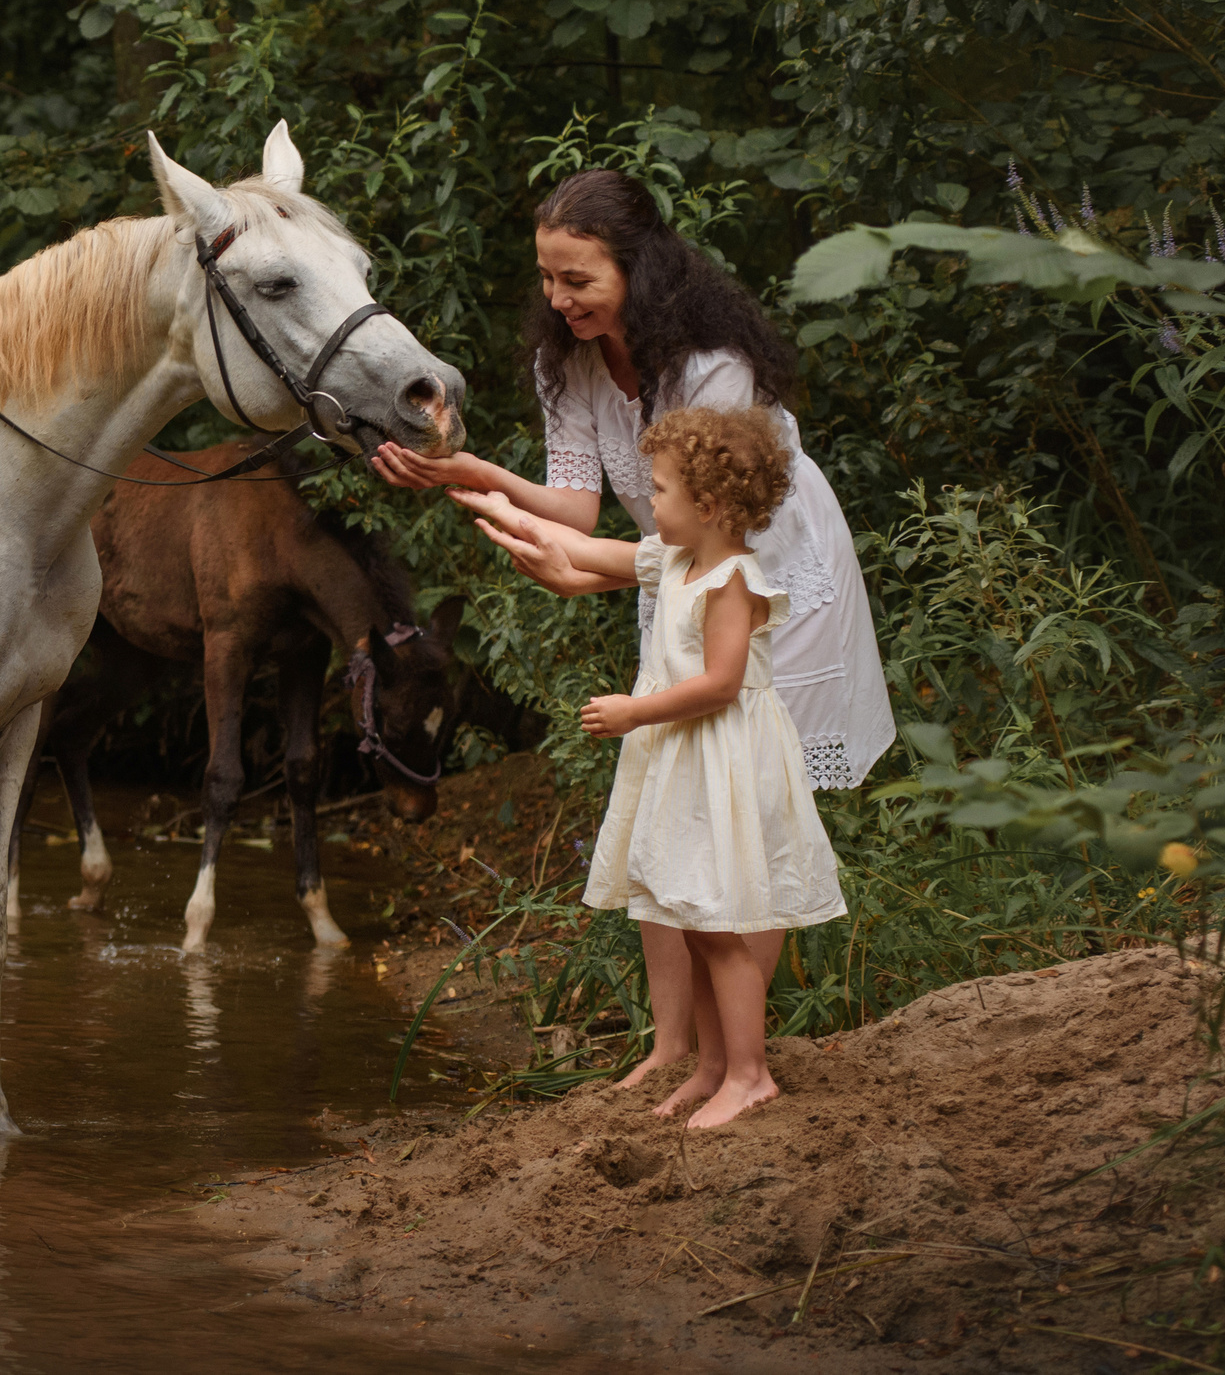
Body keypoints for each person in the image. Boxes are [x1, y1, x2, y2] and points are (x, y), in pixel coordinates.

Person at [370, 166, 890, 1086]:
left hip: (767, 578)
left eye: (578, 279)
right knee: (677, 812)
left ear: (637, 269)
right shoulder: (564, 359)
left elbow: (715, 532)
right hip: (673, 571)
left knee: (740, 821)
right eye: (546, 277)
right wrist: (465, 473)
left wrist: (591, 574)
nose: (557, 298)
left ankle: (741, 1066)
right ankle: (677, 1054)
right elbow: (576, 510)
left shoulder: (709, 365)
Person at [459, 407, 847, 1128]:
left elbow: (724, 682)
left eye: (661, 490)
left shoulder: (732, 578)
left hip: (723, 757)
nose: (650, 503)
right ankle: (709, 1065)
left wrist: (635, 711)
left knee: (722, 923)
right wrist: (492, 499)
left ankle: (751, 1074)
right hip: (687, 760)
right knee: (692, 916)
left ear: (711, 506)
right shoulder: (675, 560)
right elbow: (585, 548)